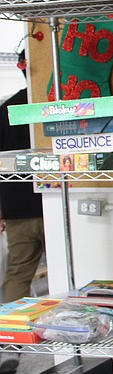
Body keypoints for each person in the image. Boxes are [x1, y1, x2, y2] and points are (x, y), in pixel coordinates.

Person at [0, 51, 45, 304]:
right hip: (54, 203)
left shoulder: (5, 109)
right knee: (68, 269)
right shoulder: (55, 105)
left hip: (16, 210)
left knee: (17, 273)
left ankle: (11, 336)